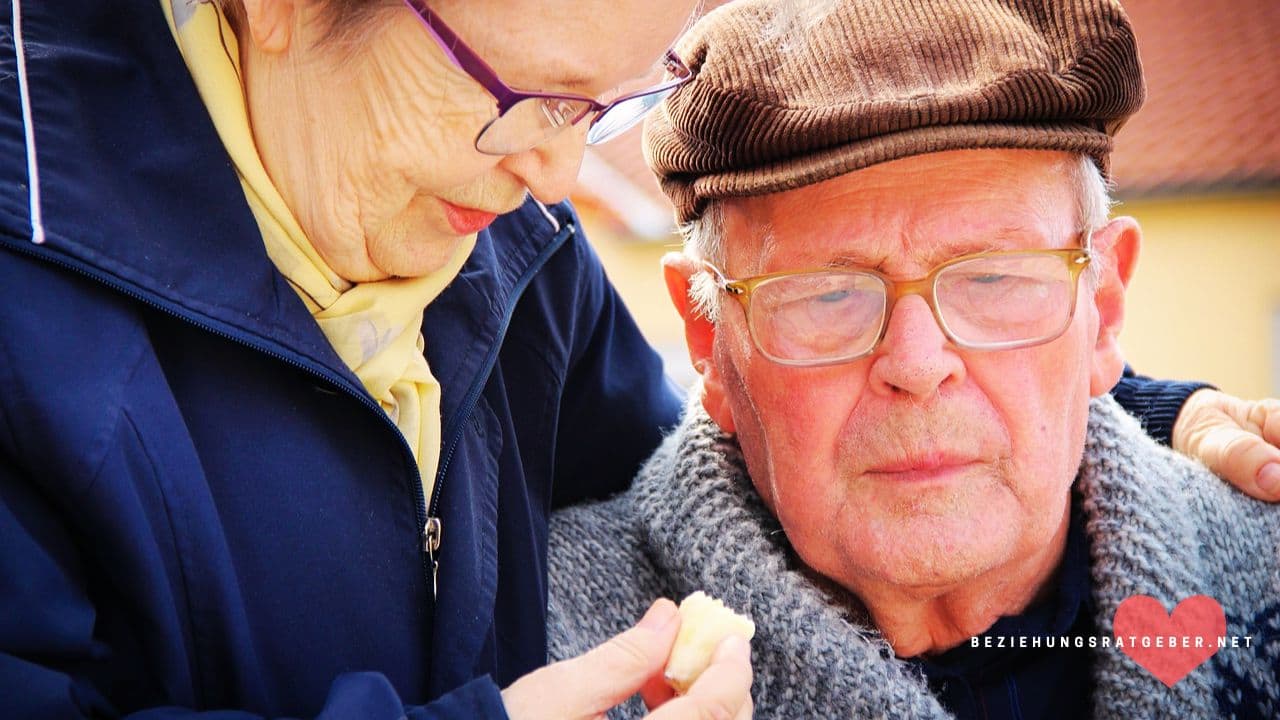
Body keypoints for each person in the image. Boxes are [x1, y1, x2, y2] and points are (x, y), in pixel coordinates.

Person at [0, 0, 1272, 718]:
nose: (560, 180)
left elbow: (748, 448)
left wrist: (1148, 424)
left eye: (601, 111)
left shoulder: (512, 248)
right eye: (522, 94)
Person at [547, 1, 1280, 718]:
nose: (919, 364)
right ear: (709, 340)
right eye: (829, 295)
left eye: (993, 278)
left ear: (1104, 307)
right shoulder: (548, 644)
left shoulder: (1265, 569)